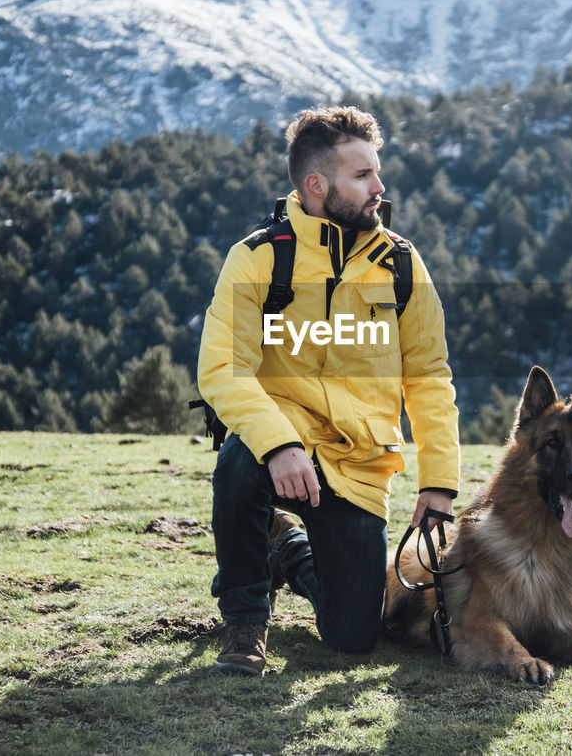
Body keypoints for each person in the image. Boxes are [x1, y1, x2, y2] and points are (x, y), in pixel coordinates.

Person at [197, 105, 461, 676]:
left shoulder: (402, 266)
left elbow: (430, 378)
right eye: (362, 175)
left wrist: (438, 484)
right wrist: (278, 444)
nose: (379, 187)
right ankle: (245, 624)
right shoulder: (258, 257)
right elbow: (223, 371)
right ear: (317, 185)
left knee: (354, 638)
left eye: (377, 172)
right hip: (281, 446)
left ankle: (285, 548)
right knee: (239, 466)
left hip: (358, 465)